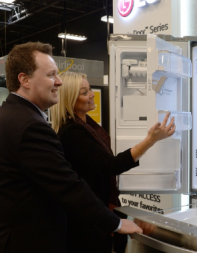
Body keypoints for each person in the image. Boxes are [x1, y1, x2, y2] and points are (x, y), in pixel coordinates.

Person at [0, 42, 143, 253]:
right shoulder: (30, 126)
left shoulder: (9, 115)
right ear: (24, 79)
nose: (58, 82)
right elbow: (67, 185)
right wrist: (117, 223)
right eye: (50, 75)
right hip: (31, 241)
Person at [50, 71, 175, 253]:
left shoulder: (88, 125)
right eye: (84, 93)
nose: (92, 95)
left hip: (96, 211)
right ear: (69, 99)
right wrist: (150, 140)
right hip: (86, 220)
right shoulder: (71, 132)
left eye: (90, 89)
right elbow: (111, 165)